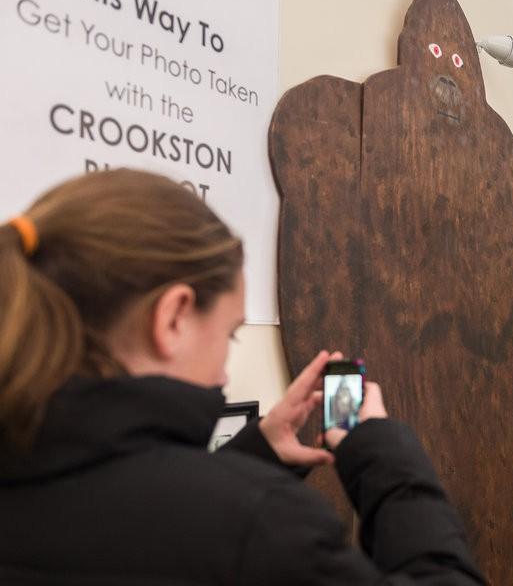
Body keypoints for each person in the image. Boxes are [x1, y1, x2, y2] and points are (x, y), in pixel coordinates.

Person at [0, 169, 485, 585]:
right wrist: (384, 453)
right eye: (230, 335)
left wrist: (258, 453)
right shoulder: (260, 525)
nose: (225, 370)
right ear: (173, 317)